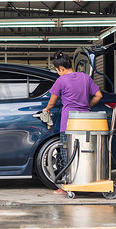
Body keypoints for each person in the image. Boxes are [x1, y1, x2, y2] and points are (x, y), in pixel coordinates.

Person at [43, 51, 103, 194]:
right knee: (85, 152)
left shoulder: (61, 81)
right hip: (86, 122)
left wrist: (47, 109)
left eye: (57, 71)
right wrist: (87, 106)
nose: (58, 73)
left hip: (69, 122)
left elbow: (52, 101)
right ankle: (86, 181)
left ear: (61, 69)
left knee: (67, 153)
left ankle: (66, 186)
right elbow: (98, 95)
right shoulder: (85, 77)